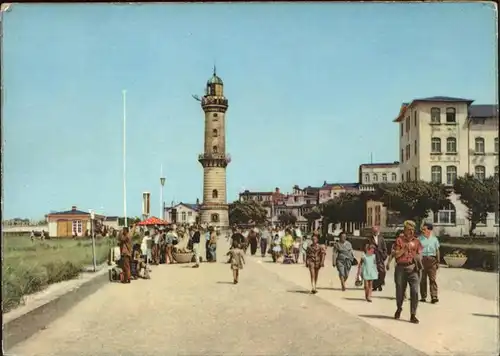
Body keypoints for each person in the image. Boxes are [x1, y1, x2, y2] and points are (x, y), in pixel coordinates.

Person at [393, 220, 423, 324]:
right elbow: (396, 255)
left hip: (413, 268)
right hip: (401, 268)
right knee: (400, 291)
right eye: (408, 229)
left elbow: (420, 254)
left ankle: (413, 314)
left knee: (414, 291)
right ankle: (399, 308)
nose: (410, 232)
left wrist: (417, 260)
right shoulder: (399, 240)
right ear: (404, 230)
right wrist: (404, 249)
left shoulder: (417, 241)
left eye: (412, 230)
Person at [419, 223, 440, 304]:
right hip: (422, 259)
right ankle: (423, 296)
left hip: (432, 260)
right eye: (422, 229)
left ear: (429, 230)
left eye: (425, 229)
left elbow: (437, 250)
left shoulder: (434, 239)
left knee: (432, 279)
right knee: (422, 279)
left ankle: (434, 296)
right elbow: (417, 250)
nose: (423, 231)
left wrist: (438, 261)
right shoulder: (419, 239)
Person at [365, 226, 388, 291]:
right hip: (372, 258)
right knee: (373, 272)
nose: (375, 232)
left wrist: (384, 255)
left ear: (378, 231)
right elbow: (365, 248)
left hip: (380, 257)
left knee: (382, 272)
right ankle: (375, 286)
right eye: (374, 231)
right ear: (372, 231)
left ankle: (379, 283)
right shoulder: (368, 239)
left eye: (376, 231)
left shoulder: (381, 239)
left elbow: (385, 248)